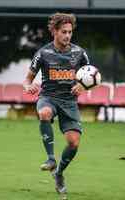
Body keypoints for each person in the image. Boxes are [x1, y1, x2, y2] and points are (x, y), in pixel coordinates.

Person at [23, 12, 90, 197]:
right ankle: (51, 159)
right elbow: (28, 79)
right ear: (54, 31)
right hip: (48, 97)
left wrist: (82, 86)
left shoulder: (79, 53)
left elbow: (93, 76)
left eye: (70, 32)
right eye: (63, 32)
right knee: (44, 113)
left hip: (69, 102)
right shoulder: (43, 53)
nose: (67, 36)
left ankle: (59, 173)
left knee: (73, 143)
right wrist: (29, 87)